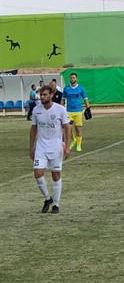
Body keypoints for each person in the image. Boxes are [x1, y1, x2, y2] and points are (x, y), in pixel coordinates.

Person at [29, 85, 71, 214]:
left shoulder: (60, 109)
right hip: (41, 147)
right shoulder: (36, 110)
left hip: (56, 147)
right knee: (37, 173)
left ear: (51, 95)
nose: (42, 97)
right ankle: (47, 198)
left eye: (45, 95)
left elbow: (67, 127)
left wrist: (67, 146)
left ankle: (56, 204)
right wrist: (31, 147)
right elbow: (33, 129)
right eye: (41, 95)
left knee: (55, 175)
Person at [61, 73, 90, 152]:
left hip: (78, 111)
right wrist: (60, 108)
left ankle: (78, 145)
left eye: (73, 78)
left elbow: (85, 98)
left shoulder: (80, 88)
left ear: (76, 78)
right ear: (69, 79)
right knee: (68, 129)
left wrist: (88, 108)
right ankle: (73, 139)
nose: (72, 79)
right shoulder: (66, 88)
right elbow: (63, 99)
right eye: (71, 78)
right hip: (69, 111)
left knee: (78, 129)